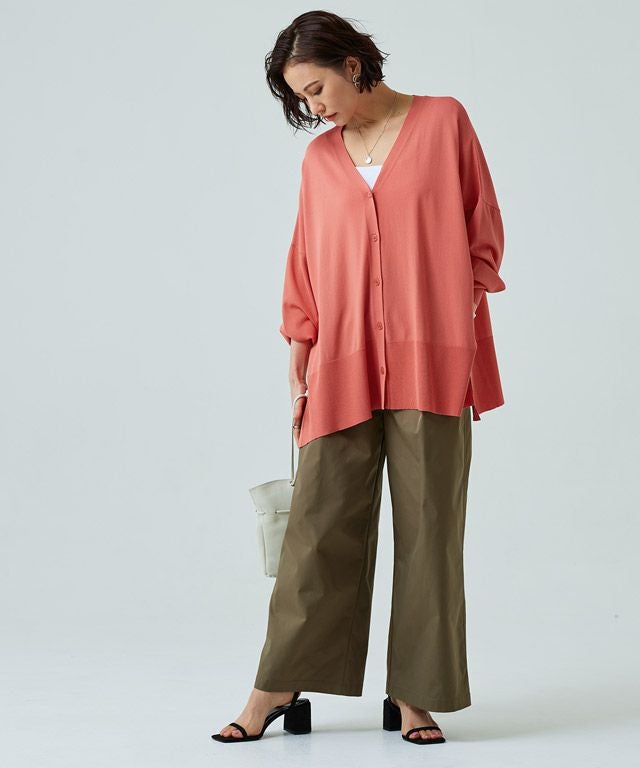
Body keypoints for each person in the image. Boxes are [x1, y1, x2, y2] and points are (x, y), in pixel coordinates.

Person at [213, 10, 506, 746]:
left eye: (316, 89)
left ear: (352, 64)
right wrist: (299, 347)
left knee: (430, 526)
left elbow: (482, 227)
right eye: (301, 99)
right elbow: (305, 259)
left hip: (431, 356)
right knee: (318, 527)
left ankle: (416, 691)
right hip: (341, 360)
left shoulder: (442, 121)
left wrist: (461, 304)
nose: (314, 108)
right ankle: (278, 684)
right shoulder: (320, 160)